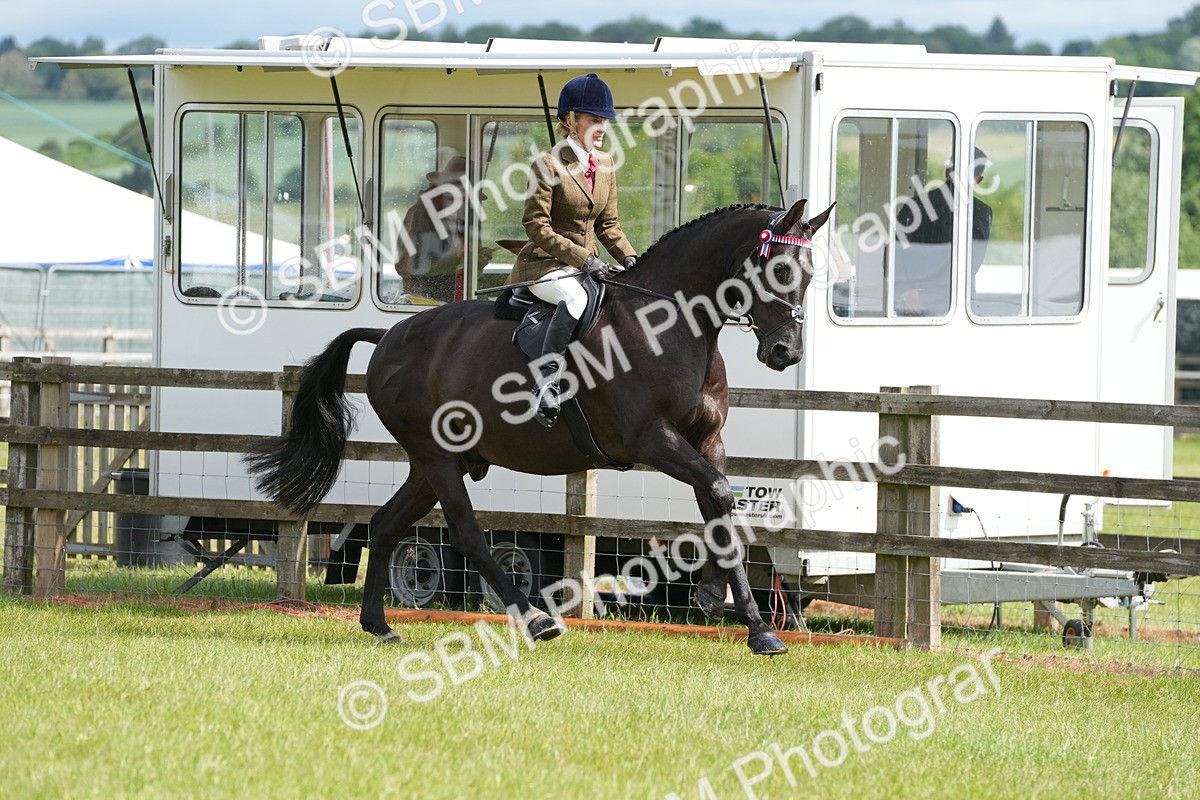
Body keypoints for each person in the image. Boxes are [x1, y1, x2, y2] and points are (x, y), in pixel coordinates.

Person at [509, 72, 639, 427]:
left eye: (604, 122)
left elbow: (608, 225)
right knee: (576, 301)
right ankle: (545, 383)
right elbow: (536, 227)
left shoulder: (606, 165)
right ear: (570, 121)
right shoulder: (548, 164)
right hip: (544, 267)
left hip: (586, 267)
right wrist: (586, 259)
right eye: (594, 120)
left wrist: (630, 258)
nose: (602, 128)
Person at [893, 147, 992, 316]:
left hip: (911, 302)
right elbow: (971, 262)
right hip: (958, 302)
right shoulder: (982, 212)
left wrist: (909, 292)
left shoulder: (915, 204)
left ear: (947, 170)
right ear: (979, 179)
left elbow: (894, 254)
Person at [395, 155, 492, 305]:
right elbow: (406, 268)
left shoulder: (469, 216)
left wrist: (478, 260)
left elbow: (465, 270)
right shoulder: (419, 215)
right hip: (426, 302)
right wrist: (456, 255)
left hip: (460, 298)